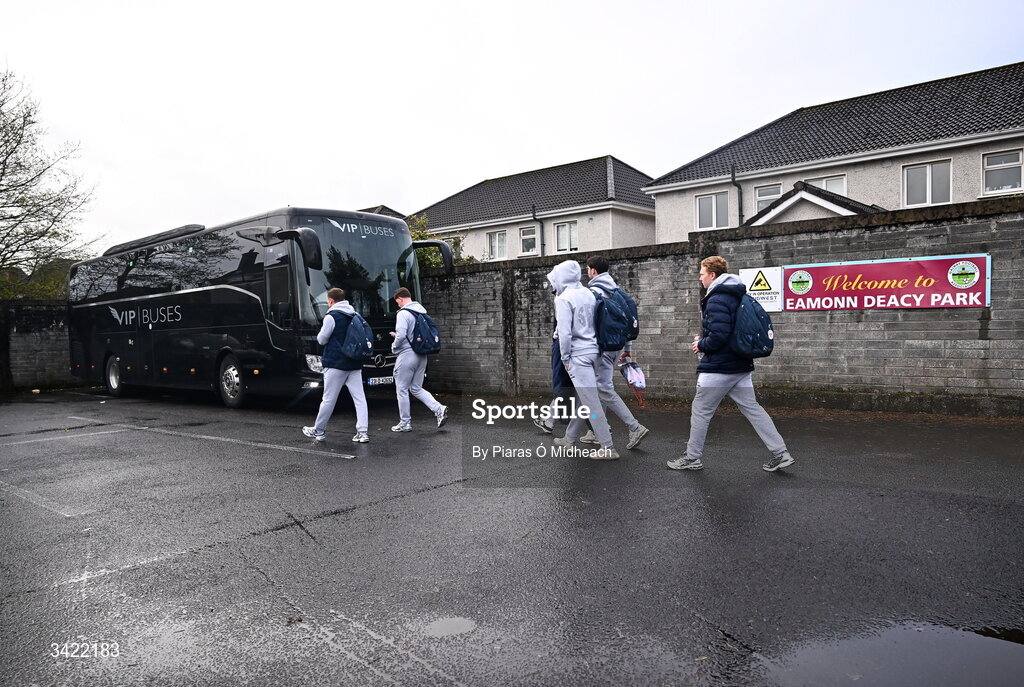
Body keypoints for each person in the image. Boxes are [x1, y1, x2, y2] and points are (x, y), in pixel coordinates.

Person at [667, 256, 795, 472]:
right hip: (740, 365)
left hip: (720, 367)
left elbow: (719, 336)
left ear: (713, 275)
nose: (700, 278)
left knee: (701, 410)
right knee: (753, 408)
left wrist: (701, 344)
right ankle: (781, 453)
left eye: (702, 274)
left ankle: (692, 457)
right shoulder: (738, 295)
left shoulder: (717, 299)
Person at [576, 255, 650, 450]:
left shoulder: (592, 292)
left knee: (603, 388)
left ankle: (634, 426)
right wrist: (627, 349)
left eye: (588, 269)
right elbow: (627, 321)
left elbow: (589, 324)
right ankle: (596, 430)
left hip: (602, 348)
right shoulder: (618, 291)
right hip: (617, 347)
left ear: (592, 270)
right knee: (602, 387)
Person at [547, 259, 619, 460]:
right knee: (584, 400)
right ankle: (569, 439)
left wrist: (565, 357)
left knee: (591, 403)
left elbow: (565, 333)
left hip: (577, 355)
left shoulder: (563, 298)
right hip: (594, 352)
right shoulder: (589, 293)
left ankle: (608, 447)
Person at [302, 288, 370, 443]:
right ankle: (362, 432)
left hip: (335, 363)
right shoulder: (355, 314)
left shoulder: (332, 316)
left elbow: (322, 339)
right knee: (359, 398)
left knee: (328, 399)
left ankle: (319, 430)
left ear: (331, 301)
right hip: (354, 362)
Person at [390, 287, 448, 432]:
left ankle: (405, 423)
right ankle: (439, 409)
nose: (398, 305)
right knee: (416, 388)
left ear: (401, 299)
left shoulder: (403, 313)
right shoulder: (421, 312)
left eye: (398, 303)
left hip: (407, 355)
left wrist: (394, 345)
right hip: (422, 354)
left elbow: (402, 335)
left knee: (402, 389)